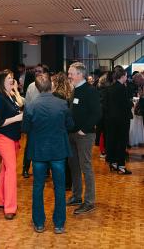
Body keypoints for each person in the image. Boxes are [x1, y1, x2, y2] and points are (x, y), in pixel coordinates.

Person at [22, 74, 74, 234]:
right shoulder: (62, 104)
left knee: (38, 186)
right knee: (59, 187)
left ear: (36, 88)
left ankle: (39, 223)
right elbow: (70, 125)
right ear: (51, 86)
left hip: (38, 151)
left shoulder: (30, 106)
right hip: (58, 150)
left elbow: (25, 129)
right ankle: (59, 224)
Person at [67, 62, 101, 215]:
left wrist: (83, 130)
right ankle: (76, 196)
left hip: (85, 135)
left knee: (86, 167)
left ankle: (89, 201)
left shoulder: (90, 91)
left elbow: (97, 114)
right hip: (72, 134)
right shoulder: (75, 90)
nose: (69, 76)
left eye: (71, 73)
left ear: (80, 74)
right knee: (74, 166)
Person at [0, 69, 23, 220]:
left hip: (13, 137)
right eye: (9, 78)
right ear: (1, 81)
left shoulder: (9, 96)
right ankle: (10, 208)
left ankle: (1, 200)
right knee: (11, 170)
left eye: (12, 77)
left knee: (5, 168)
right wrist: (18, 118)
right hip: (3, 137)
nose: (12, 80)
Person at [104, 67, 132, 174]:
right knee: (122, 142)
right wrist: (131, 103)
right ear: (122, 76)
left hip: (111, 119)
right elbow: (125, 104)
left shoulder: (110, 88)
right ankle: (121, 166)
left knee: (113, 141)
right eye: (125, 75)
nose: (126, 77)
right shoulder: (122, 88)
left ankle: (113, 163)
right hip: (122, 119)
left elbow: (105, 105)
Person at [22, 64, 49, 178]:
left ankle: (46, 170)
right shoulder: (31, 86)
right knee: (29, 146)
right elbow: (27, 104)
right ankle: (25, 168)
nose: (37, 73)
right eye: (36, 71)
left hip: (46, 122)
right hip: (33, 122)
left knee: (46, 146)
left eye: (39, 71)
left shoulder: (50, 86)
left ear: (45, 73)